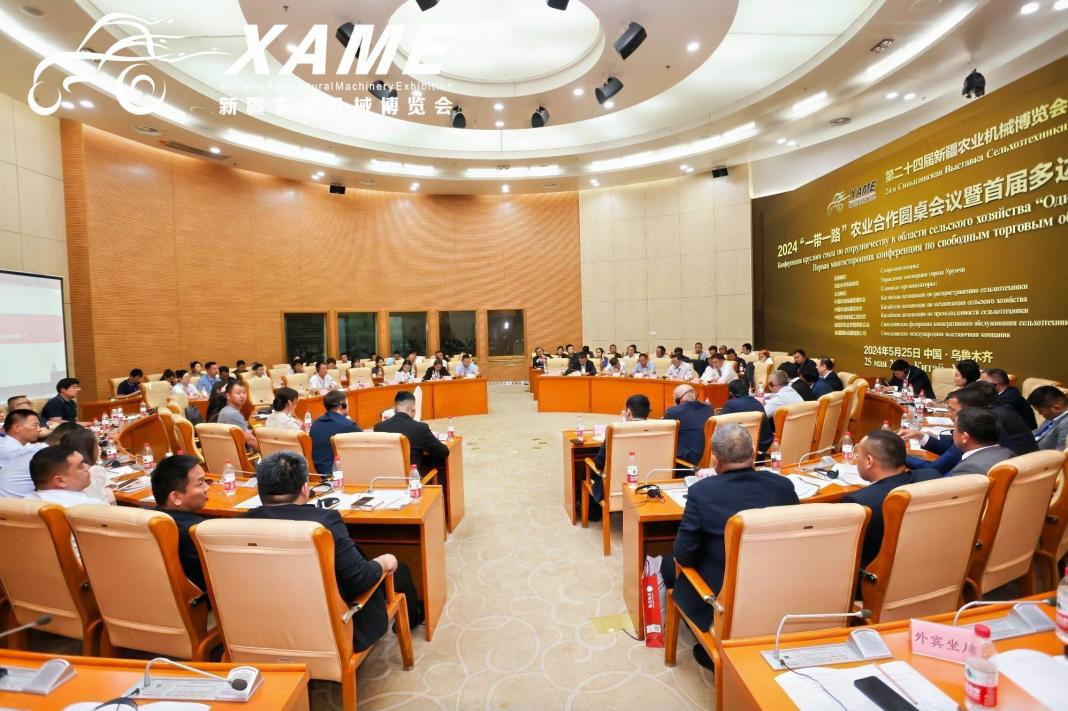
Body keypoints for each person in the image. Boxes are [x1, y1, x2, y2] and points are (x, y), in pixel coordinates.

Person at [240, 451, 422, 651]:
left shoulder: (237, 525)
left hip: (264, 622)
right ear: (305, 488)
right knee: (400, 569)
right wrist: (385, 561)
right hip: (329, 623)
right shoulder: (323, 523)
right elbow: (361, 578)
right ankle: (412, 621)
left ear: (260, 490)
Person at [662, 426, 799, 668]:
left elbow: (683, 555)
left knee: (667, 564)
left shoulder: (701, 492)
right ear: (754, 453)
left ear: (715, 459)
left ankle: (712, 642)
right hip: (779, 581)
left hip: (725, 593)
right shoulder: (783, 486)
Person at [839, 431, 940, 568]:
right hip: (929, 563)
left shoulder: (859, 502)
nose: (857, 460)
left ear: (868, 461)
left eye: (858, 455)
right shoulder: (932, 476)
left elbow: (847, 552)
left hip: (876, 574)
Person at [150, 454, 210, 591]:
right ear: (176, 497)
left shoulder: (148, 520)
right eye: (201, 483)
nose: (207, 487)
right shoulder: (197, 532)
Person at [587, 395, 650, 520]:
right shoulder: (659, 429)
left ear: (628, 412)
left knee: (588, 470)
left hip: (616, 488)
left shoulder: (615, 430)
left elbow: (599, 463)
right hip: (649, 485)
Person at [375, 391, 450, 469]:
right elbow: (443, 452)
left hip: (383, 475)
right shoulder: (420, 428)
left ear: (394, 409)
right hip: (411, 476)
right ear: (413, 408)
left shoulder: (379, 427)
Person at [27, 445, 114, 507]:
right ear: (60, 481)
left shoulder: (25, 504)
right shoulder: (91, 507)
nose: (87, 467)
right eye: (80, 466)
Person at [947, 408, 1014, 476]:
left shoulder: (969, 468)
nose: (953, 432)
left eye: (955, 428)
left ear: (965, 437)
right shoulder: (1008, 453)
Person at [310, 390, 360, 475]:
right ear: (342, 406)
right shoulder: (349, 426)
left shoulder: (315, 424)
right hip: (338, 474)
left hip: (317, 473)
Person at [719, 379, 774, 454]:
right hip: (763, 445)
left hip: (743, 449)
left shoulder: (731, 404)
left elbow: (718, 423)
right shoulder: (757, 402)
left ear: (731, 393)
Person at [664, 384, 713, 467]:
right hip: (708, 460)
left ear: (677, 400)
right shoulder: (709, 408)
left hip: (686, 464)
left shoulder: (673, 412)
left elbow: (665, 437)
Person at [215, 381, 258, 452]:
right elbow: (250, 441)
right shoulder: (233, 414)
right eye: (238, 393)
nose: (242, 396)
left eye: (244, 393)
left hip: (229, 450)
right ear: (228, 396)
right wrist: (269, 453)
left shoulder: (226, 409)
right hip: (237, 453)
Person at [1027, 386, 1068, 451]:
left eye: (1041, 411)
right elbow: (1037, 432)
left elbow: (1061, 453)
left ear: (1056, 408)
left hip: (1037, 455)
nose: (1040, 414)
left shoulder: (1066, 424)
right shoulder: (1053, 416)